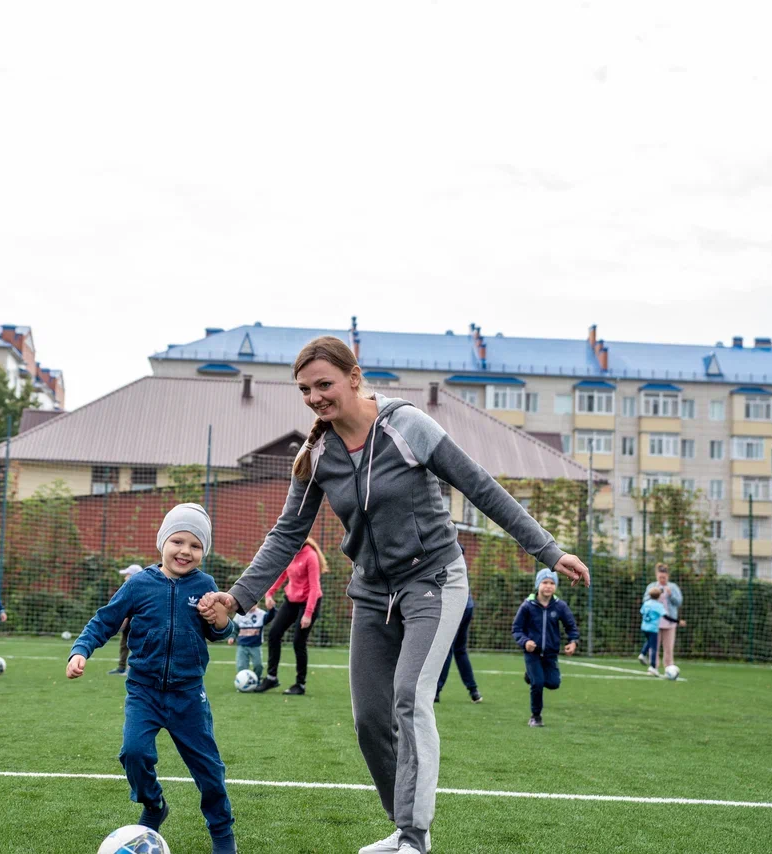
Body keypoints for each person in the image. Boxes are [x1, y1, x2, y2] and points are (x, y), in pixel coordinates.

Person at [199, 336, 590, 854]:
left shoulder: (408, 427)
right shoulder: (317, 454)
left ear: (354, 377)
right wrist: (238, 597)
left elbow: (480, 487)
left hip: (434, 580)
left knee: (409, 699)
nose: (315, 397)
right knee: (369, 718)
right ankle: (402, 827)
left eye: (324, 384)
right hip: (371, 592)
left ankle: (414, 837)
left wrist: (546, 550)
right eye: (305, 390)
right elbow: (287, 534)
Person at [67, 504, 237, 854]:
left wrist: (219, 619)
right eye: (178, 541)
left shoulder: (206, 585)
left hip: (189, 696)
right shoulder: (139, 584)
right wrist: (81, 650)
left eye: (195, 545)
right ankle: (155, 805)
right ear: (162, 542)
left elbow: (220, 632)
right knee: (134, 753)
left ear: (203, 551)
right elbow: (104, 621)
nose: (185, 551)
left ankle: (222, 835)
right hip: (143, 692)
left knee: (209, 771)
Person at [257, 537, 326, 695]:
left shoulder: (311, 556)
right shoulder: (290, 553)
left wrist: (308, 614)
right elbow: (282, 575)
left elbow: (315, 587)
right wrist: (269, 594)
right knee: (274, 633)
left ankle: (300, 684)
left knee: (298, 642)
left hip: (309, 601)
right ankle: (271, 677)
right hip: (291, 600)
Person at [512, 568, 579, 728]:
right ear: (538, 584)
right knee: (538, 683)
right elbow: (517, 628)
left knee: (553, 683)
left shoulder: (560, 606)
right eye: (545, 582)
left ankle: (530, 676)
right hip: (532, 653)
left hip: (550, 653)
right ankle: (536, 716)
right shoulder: (527, 606)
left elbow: (571, 626)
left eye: (551, 583)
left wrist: (573, 641)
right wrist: (525, 641)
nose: (548, 586)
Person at [435, 592, 481, 704]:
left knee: (447, 649)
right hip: (467, 605)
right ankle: (474, 691)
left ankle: (435, 691)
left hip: (455, 605)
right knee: (460, 650)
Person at [644, 563, 685, 671]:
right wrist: (654, 595)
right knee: (654, 646)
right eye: (660, 577)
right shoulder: (652, 587)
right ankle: (654, 666)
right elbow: (645, 601)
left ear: (668, 576)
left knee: (668, 647)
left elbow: (679, 602)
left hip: (669, 622)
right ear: (656, 576)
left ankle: (669, 668)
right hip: (655, 623)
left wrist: (670, 595)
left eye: (664, 577)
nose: (662, 579)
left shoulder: (673, 587)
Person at [107, 564, 143, 675]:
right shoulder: (128, 589)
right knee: (124, 645)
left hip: (137, 624)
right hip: (128, 625)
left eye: (127, 574)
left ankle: (130, 669)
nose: (125, 577)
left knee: (136, 646)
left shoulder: (142, 590)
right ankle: (121, 667)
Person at [227, 601, 275, 679]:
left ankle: (257, 679)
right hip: (242, 645)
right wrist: (232, 637)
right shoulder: (239, 615)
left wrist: (271, 609)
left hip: (255, 645)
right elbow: (235, 628)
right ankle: (242, 681)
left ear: (257, 604)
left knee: (258, 665)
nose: (251, 605)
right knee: (241, 665)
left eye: (254, 603)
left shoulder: (261, 614)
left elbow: (270, 617)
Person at [639, 586, 665, 677]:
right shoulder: (658, 605)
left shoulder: (646, 603)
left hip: (644, 627)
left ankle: (643, 653)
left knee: (649, 642)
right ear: (658, 596)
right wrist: (677, 621)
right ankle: (653, 667)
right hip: (653, 628)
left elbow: (642, 612)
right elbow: (665, 616)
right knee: (654, 647)